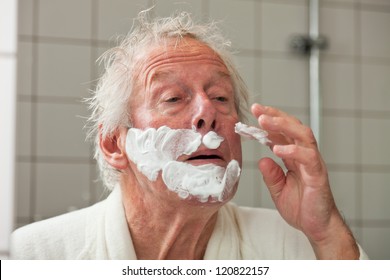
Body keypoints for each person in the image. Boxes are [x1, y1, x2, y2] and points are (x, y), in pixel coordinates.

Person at [11, 10, 368, 260]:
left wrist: (325, 233)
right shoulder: (36, 255)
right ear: (112, 144)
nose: (207, 114)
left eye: (221, 98)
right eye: (173, 99)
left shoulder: (294, 244)